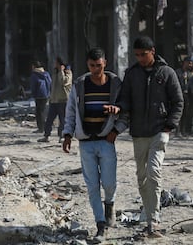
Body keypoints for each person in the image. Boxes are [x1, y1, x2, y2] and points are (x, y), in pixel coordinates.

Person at [117, 36, 183, 238]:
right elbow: (125, 100)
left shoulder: (167, 72)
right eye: (137, 55)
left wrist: (169, 126)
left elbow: (178, 101)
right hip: (138, 133)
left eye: (143, 54)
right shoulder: (132, 74)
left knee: (154, 172)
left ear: (152, 51)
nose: (140, 58)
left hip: (159, 132)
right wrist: (119, 114)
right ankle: (147, 214)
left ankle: (153, 220)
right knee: (142, 177)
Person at [62, 48, 126, 242]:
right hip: (86, 142)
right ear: (88, 65)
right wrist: (67, 134)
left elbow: (126, 112)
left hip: (107, 140)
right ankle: (100, 224)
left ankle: (110, 204)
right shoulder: (80, 84)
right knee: (92, 186)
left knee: (108, 183)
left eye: (99, 65)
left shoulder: (116, 84)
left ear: (105, 63)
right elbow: (71, 111)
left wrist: (116, 130)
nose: (96, 69)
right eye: (92, 66)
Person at [39, 57, 73, 142]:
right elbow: (52, 86)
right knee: (49, 119)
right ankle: (46, 136)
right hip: (54, 100)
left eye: (57, 63)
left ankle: (62, 136)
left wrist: (61, 71)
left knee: (62, 120)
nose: (55, 64)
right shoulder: (54, 72)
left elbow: (64, 82)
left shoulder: (68, 73)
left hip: (63, 100)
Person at [175, 55, 193, 137]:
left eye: (191, 63)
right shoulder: (177, 72)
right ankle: (177, 131)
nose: (190, 65)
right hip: (179, 95)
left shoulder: (190, 74)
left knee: (186, 114)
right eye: (189, 63)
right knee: (178, 113)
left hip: (188, 96)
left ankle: (183, 131)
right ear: (185, 63)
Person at [30, 60, 52, 133]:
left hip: (38, 95)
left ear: (34, 66)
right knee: (43, 111)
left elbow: (33, 86)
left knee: (39, 112)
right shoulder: (46, 73)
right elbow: (50, 83)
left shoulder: (34, 75)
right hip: (46, 94)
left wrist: (33, 94)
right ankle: (44, 127)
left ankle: (40, 128)